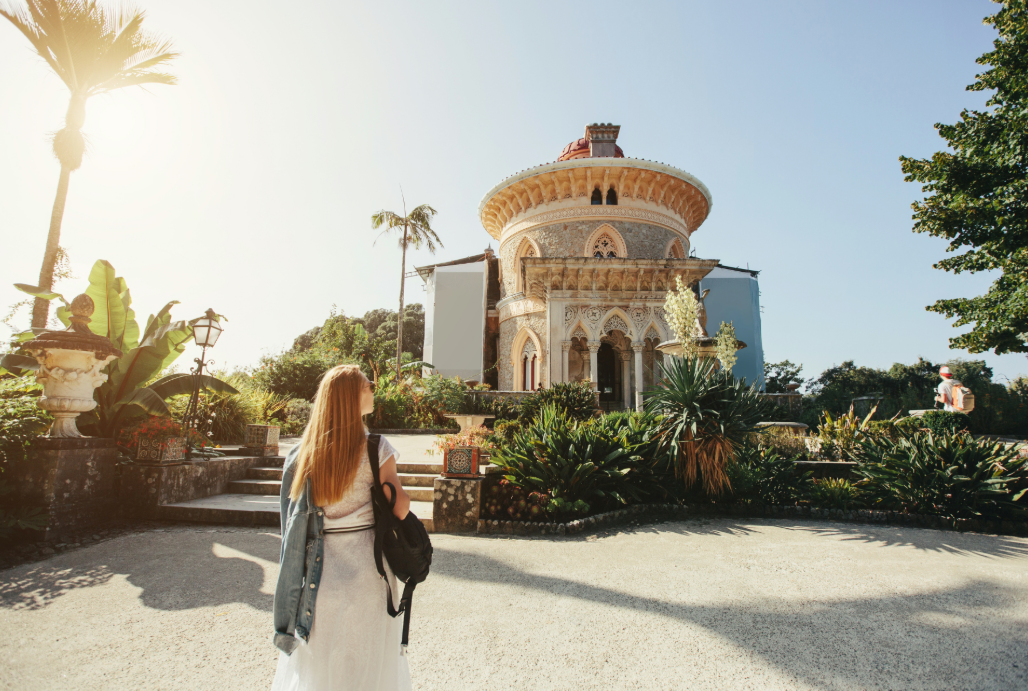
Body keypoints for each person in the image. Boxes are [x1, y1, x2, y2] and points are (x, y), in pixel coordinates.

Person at [271, 364, 412, 691]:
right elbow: (401, 507)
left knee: (321, 671)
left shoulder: (302, 455)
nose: (373, 388)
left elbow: (289, 529)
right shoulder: (376, 448)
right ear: (352, 397)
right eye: (368, 385)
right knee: (368, 671)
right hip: (370, 577)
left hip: (322, 581)